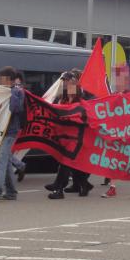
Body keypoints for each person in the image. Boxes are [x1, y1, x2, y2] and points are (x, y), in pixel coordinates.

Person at [44, 71, 94, 199]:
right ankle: (84, 184)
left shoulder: (82, 104)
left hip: (75, 139)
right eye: (66, 83)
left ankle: (58, 189)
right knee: (72, 164)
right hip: (64, 138)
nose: (68, 86)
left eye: (71, 84)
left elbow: (88, 118)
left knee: (65, 162)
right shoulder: (63, 100)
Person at [0, 67, 25, 202]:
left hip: (10, 132)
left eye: (1, 78)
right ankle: (11, 191)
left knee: (1, 160)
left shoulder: (18, 92)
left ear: (9, 80)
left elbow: (16, 108)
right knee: (6, 161)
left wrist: (9, 92)